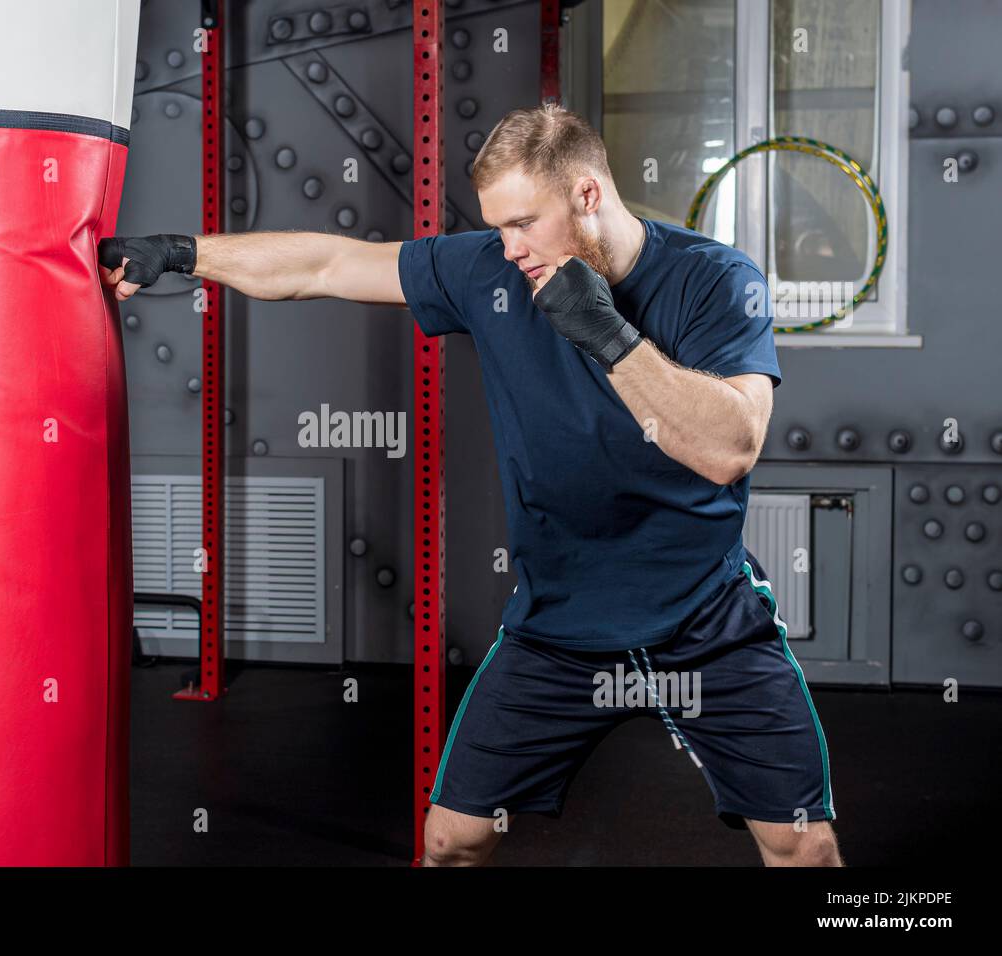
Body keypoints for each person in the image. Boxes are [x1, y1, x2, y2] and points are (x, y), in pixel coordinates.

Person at [98, 103, 841, 868]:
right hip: (560, 627)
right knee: (452, 841)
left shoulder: (713, 280)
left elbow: (731, 447)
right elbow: (326, 264)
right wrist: (185, 253)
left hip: (707, 621)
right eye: (497, 227)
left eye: (524, 222)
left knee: (802, 847)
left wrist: (612, 338)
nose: (510, 247)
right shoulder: (492, 267)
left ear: (588, 195)